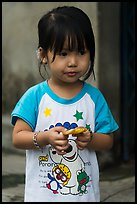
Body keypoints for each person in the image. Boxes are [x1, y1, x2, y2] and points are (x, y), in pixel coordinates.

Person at [11, 6, 119, 202]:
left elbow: (108, 141)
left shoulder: (93, 98)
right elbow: (18, 138)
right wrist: (45, 138)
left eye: (81, 52)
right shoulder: (35, 97)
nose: (73, 62)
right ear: (43, 55)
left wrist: (90, 139)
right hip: (42, 196)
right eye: (63, 53)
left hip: (83, 196)